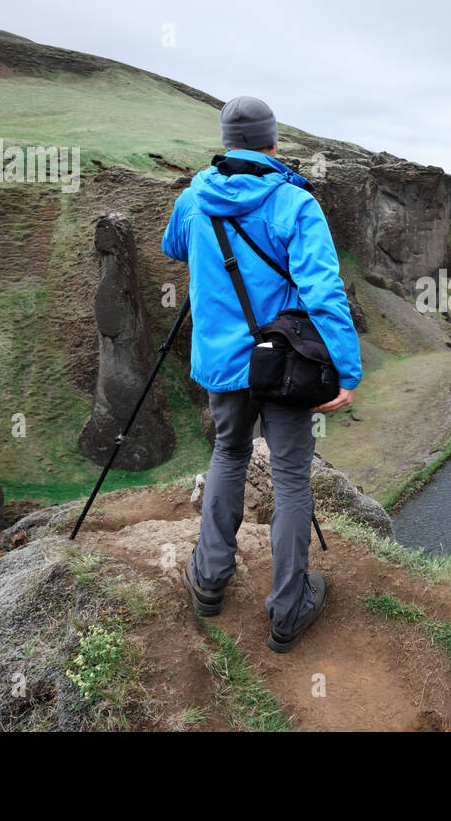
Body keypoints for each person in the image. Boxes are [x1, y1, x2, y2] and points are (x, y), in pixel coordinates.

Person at [161, 95, 362, 653]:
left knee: (229, 453)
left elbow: (172, 245)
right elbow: (322, 292)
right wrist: (346, 371)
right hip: (284, 366)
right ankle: (287, 608)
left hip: (223, 365)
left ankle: (208, 581)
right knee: (292, 478)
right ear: (274, 143)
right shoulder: (294, 204)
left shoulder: (195, 196)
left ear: (228, 142)